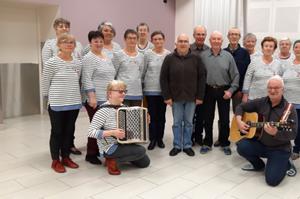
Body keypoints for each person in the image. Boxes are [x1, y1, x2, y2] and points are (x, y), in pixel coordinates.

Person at [235, 75, 298, 186]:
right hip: (261, 144)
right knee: (241, 146)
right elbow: (240, 107)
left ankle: (286, 161)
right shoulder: (262, 102)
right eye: (270, 87)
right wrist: (239, 121)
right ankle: (258, 165)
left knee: (272, 181)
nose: (272, 90)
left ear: (283, 90)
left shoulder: (289, 109)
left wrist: (275, 133)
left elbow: (292, 133)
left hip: (280, 149)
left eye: (276, 88)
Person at [87, 80, 150, 175]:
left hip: (125, 142)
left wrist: (144, 122)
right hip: (110, 146)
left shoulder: (125, 107)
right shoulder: (102, 111)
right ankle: (111, 159)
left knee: (145, 163)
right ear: (110, 93)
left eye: (125, 91)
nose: (123, 94)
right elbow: (91, 132)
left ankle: (120, 157)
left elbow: (132, 127)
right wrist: (112, 133)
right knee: (141, 150)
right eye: (120, 91)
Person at [160, 33, 206, 157]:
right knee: (177, 123)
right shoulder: (169, 58)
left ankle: (187, 145)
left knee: (189, 123)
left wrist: (200, 96)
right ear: (176, 43)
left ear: (188, 43)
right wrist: (167, 96)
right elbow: (163, 78)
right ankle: (176, 145)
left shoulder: (196, 58)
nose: (183, 43)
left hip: (192, 98)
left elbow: (202, 78)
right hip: (175, 98)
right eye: (180, 41)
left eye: (185, 41)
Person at [42, 18, 83, 155]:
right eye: (61, 26)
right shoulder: (51, 57)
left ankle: (66, 154)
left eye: (71, 42)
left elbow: (77, 77)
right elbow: (46, 79)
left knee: (69, 128)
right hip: (57, 98)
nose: (68, 44)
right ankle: (56, 158)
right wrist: (45, 99)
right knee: (57, 130)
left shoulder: (77, 61)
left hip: (73, 98)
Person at [200, 31, 239, 155]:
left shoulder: (228, 56)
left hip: (224, 91)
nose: (216, 41)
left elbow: (236, 75)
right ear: (210, 41)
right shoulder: (203, 56)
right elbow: (199, 75)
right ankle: (207, 142)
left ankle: (224, 142)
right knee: (208, 118)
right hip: (208, 90)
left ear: (222, 41)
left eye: (218, 39)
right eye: (214, 39)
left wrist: (231, 91)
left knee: (224, 119)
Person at [82, 31, 116, 165]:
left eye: (101, 41)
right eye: (95, 41)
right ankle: (91, 154)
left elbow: (111, 75)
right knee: (96, 127)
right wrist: (92, 97)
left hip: (107, 98)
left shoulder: (106, 55)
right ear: (90, 42)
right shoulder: (88, 58)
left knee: (105, 127)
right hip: (95, 99)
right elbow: (86, 78)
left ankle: (103, 151)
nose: (99, 43)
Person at [143, 31, 170, 150]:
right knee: (152, 116)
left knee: (162, 116)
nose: (158, 41)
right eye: (155, 39)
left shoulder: (168, 54)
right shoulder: (147, 54)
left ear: (164, 40)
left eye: (160, 39)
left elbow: (170, 73)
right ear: (152, 41)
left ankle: (160, 138)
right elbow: (143, 71)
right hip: (150, 90)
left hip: (163, 91)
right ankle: (152, 139)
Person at [242, 36, 282, 102]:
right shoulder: (254, 62)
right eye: (266, 46)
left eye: (271, 46)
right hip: (253, 98)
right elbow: (247, 78)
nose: (268, 48)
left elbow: (280, 81)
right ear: (262, 48)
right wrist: (245, 95)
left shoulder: (278, 64)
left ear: (274, 49)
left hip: (270, 99)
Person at [112, 29, 144, 107]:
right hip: (122, 93)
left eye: (134, 38)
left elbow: (141, 73)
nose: (132, 40)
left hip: (137, 93)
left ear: (137, 40)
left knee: (135, 118)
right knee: (123, 118)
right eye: (129, 38)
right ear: (125, 39)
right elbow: (113, 74)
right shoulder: (118, 55)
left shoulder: (141, 56)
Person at [190, 25, 209, 146]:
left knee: (202, 115)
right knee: (190, 115)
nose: (200, 36)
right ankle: (190, 137)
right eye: (198, 34)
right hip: (190, 87)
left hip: (204, 88)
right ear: (194, 35)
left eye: (203, 34)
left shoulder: (209, 50)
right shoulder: (188, 48)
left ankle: (198, 136)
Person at [224, 28, 250, 113]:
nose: (234, 36)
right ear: (228, 36)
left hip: (239, 90)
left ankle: (236, 126)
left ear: (239, 37)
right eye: (232, 34)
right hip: (225, 88)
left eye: (236, 34)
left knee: (238, 113)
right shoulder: (223, 52)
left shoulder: (245, 53)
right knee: (223, 114)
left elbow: (247, 73)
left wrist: (242, 90)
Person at [282, 40, 300, 160]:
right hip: (286, 102)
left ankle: (297, 149)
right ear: (293, 49)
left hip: (299, 102)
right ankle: (284, 147)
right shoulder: (286, 64)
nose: (298, 49)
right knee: (286, 126)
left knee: (298, 127)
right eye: (296, 47)